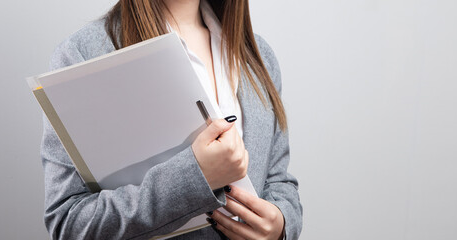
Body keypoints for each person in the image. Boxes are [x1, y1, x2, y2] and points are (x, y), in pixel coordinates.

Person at [39, 0, 302, 239]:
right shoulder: (84, 53)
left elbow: (278, 181)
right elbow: (70, 222)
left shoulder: (258, 56)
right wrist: (195, 178)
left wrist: (280, 224)